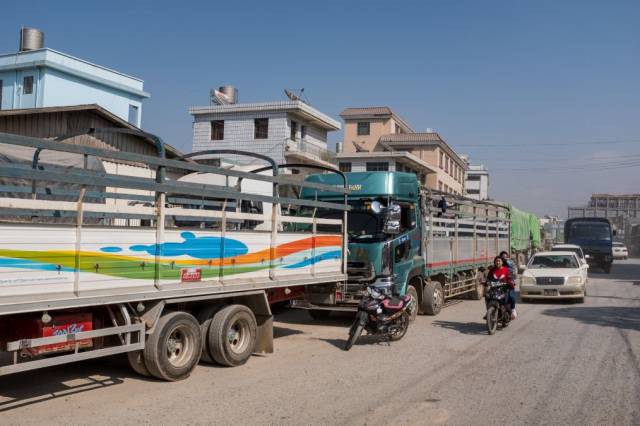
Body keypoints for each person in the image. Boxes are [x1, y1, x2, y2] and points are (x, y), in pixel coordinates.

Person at [484, 256, 517, 320]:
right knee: (487, 296)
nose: (498, 262)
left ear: (502, 262)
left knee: (511, 297)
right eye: (496, 261)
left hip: (504, 289)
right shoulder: (492, 270)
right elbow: (488, 279)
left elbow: (510, 278)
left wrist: (510, 282)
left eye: (499, 261)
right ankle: (488, 311)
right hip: (494, 289)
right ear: (494, 262)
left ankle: (512, 310)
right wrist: (486, 282)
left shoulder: (506, 270)